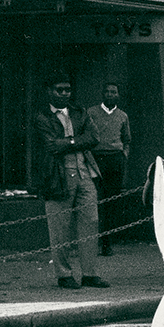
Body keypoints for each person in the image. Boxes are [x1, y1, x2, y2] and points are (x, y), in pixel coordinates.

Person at [32, 77, 107, 289]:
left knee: (90, 222)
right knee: (59, 227)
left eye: (67, 90)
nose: (64, 94)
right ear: (49, 91)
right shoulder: (42, 116)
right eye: (59, 90)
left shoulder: (79, 112)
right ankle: (64, 274)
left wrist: (68, 142)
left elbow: (94, 137)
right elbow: (51, 146)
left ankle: (90, 274)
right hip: (58, 176)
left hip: (85, 174)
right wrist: (77, 141)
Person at [86, 82, 131, 256]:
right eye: (107, 92)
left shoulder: (122, 116)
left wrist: (123, 156)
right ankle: (91, 242)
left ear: (118, 95)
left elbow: (127, 140)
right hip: (97, 159)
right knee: (96, 199)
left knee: (112, 201)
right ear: (102, 94)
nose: (110, 95)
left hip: (115, 159)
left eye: (114, 92)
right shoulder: (92, 113)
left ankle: (107, 243)